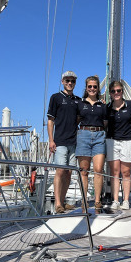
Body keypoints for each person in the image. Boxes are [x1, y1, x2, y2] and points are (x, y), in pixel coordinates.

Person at [47, 71, 81, 214]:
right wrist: (51, 140)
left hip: (73, 141)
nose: (70, 83)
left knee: (68, 173)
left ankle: (64, 200)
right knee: (60, 171)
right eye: (67, 80)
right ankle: (58, 203)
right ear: (62, 81)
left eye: (72, 81)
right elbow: (50, 120)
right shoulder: (55, 98)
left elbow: (79, 119)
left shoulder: (78, 100)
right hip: (60, 141)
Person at [76, 75, 108, 213]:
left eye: (95, 86)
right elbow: (76, 120)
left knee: (98, 169)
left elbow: (105, 122)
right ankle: (84, 201)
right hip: (83, 135)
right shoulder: (80, 104)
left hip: (99, 135)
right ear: (86, 88)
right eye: (90, 86)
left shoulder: (103, 105)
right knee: (84, 171)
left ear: (98, 88)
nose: (92, 89)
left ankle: (97, 201)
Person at [106, 80, 131, 211]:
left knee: (126, 172)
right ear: (110, 93)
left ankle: (126, 200)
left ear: (122, 91)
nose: (116, 93)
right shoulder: (107, 108)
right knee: (115, 172)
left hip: (127, 141)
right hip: (112, 141)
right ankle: (115, 200)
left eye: (118, 90)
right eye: (113, 91)